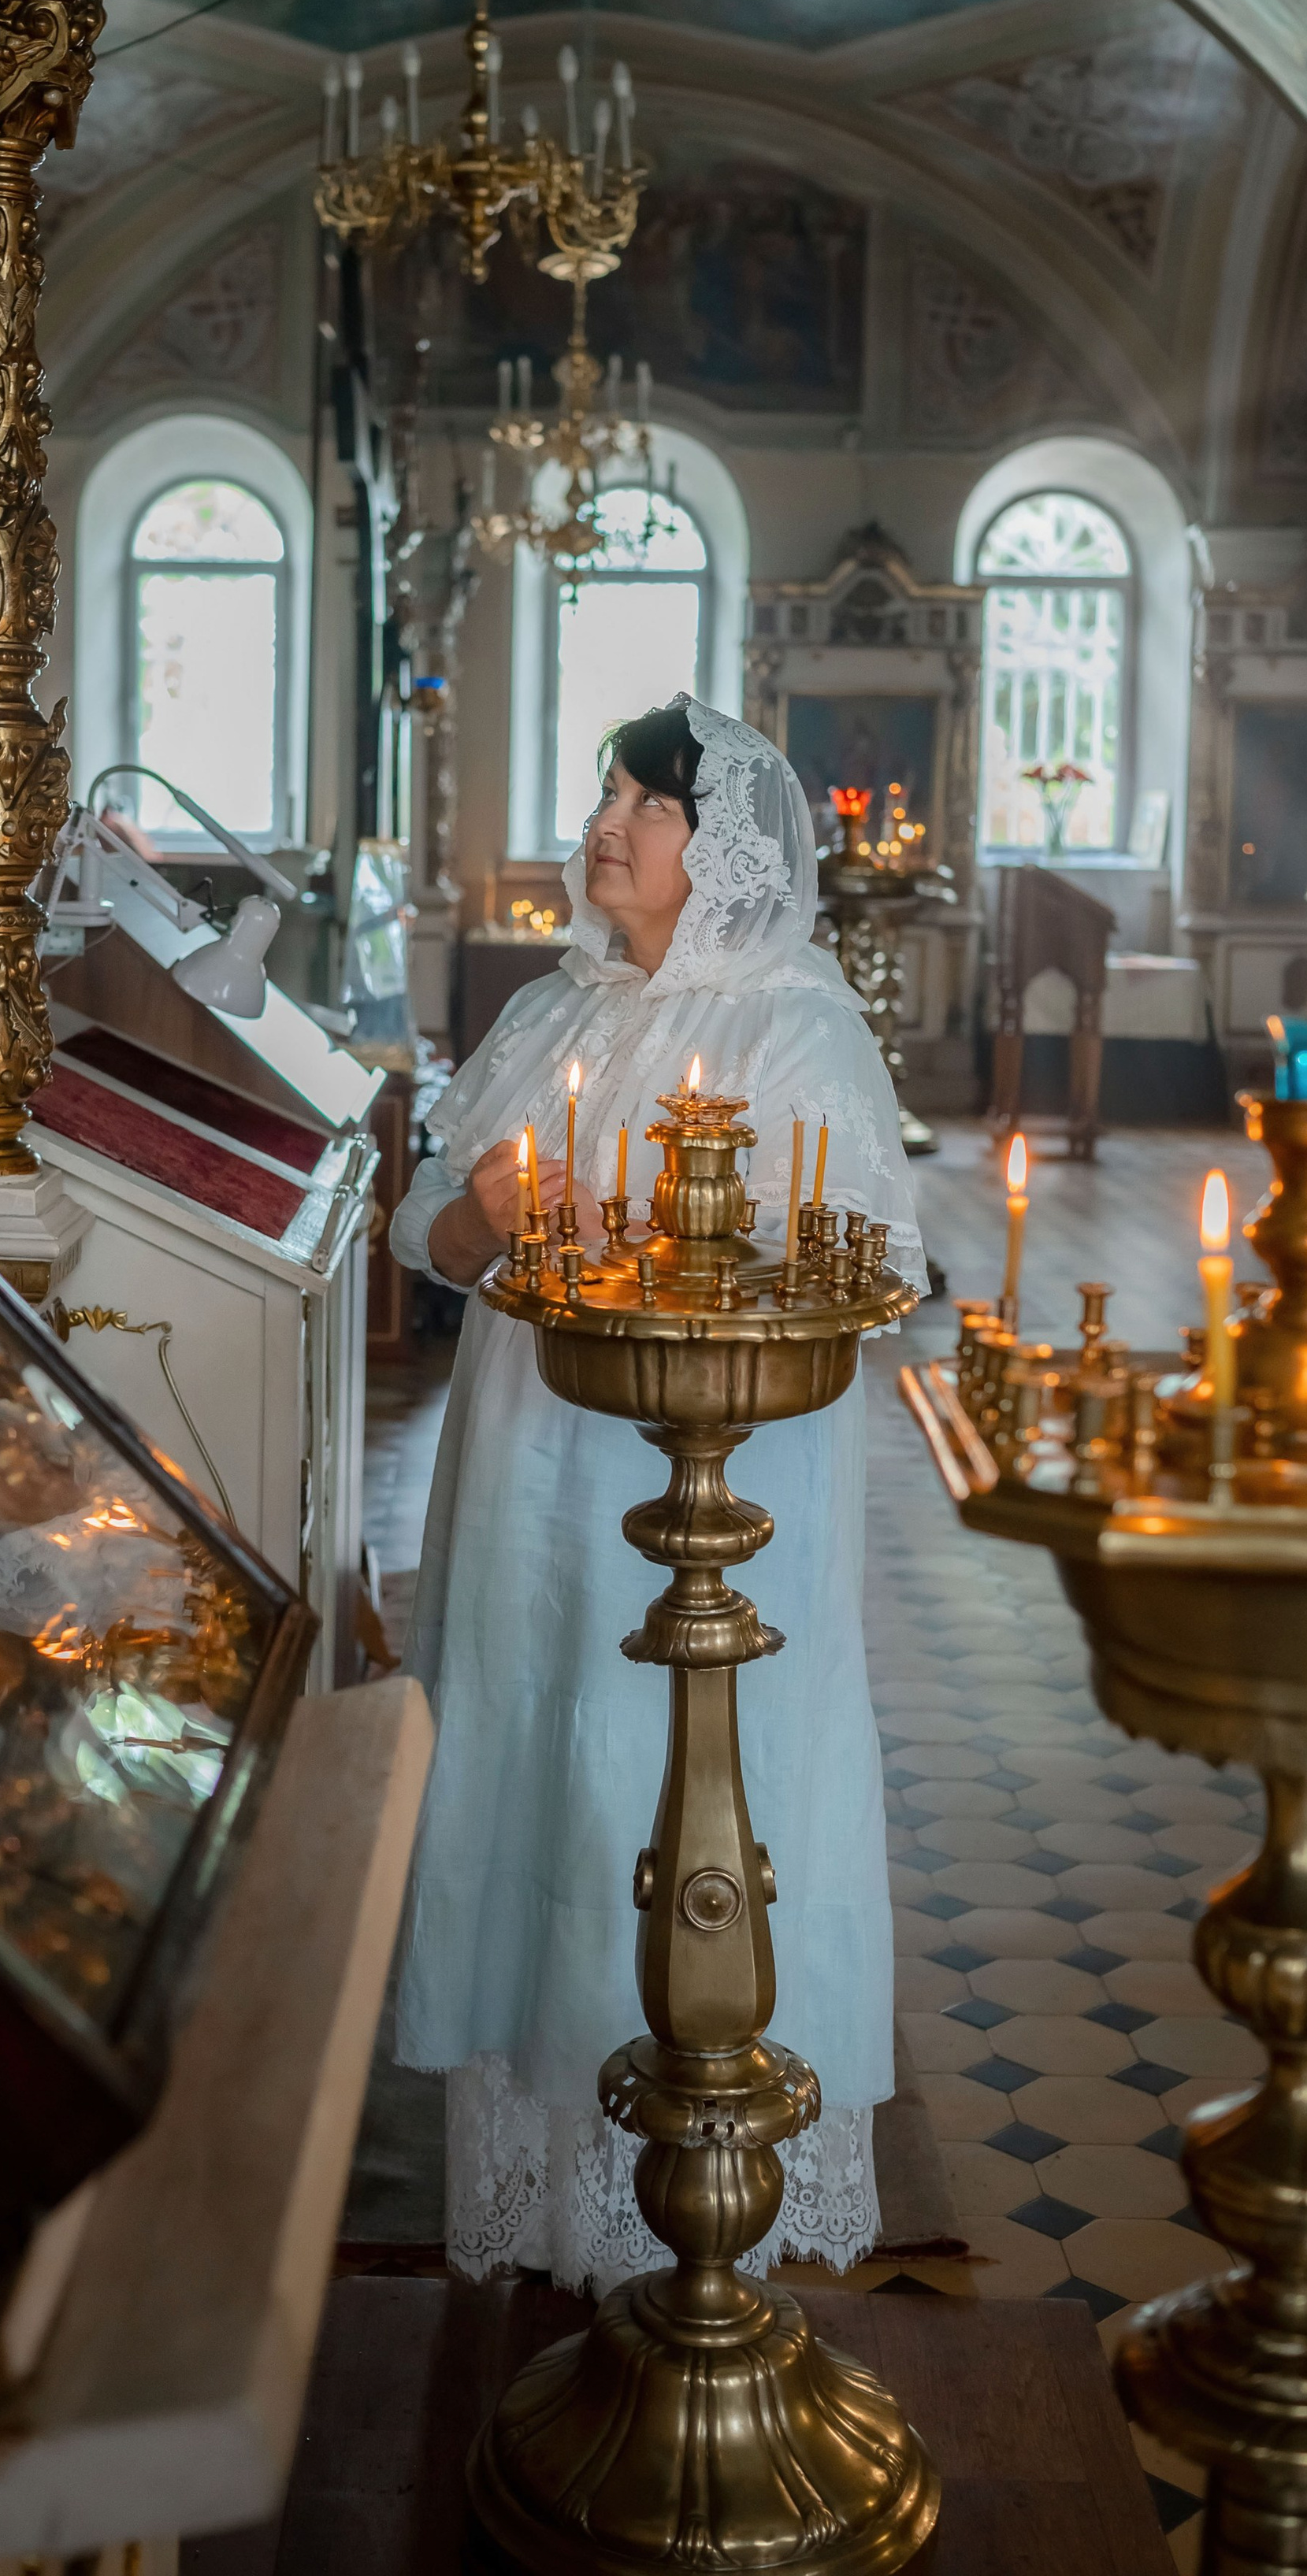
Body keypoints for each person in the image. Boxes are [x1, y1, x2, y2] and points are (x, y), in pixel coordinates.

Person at [386, 694, 926, 2295]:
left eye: (646, 798)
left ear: (729, 847)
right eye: (607, 787)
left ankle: (696, 2195)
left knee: (663, 1776)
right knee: (535, 1746)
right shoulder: (550, 1006)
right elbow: (423, 1219)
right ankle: (556, 2197)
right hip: (519, 1482)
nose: (605, 818)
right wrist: (480, 1215)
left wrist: (645, 1230)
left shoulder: (795, 1020)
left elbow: (870, 1262)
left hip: (702, 1490)